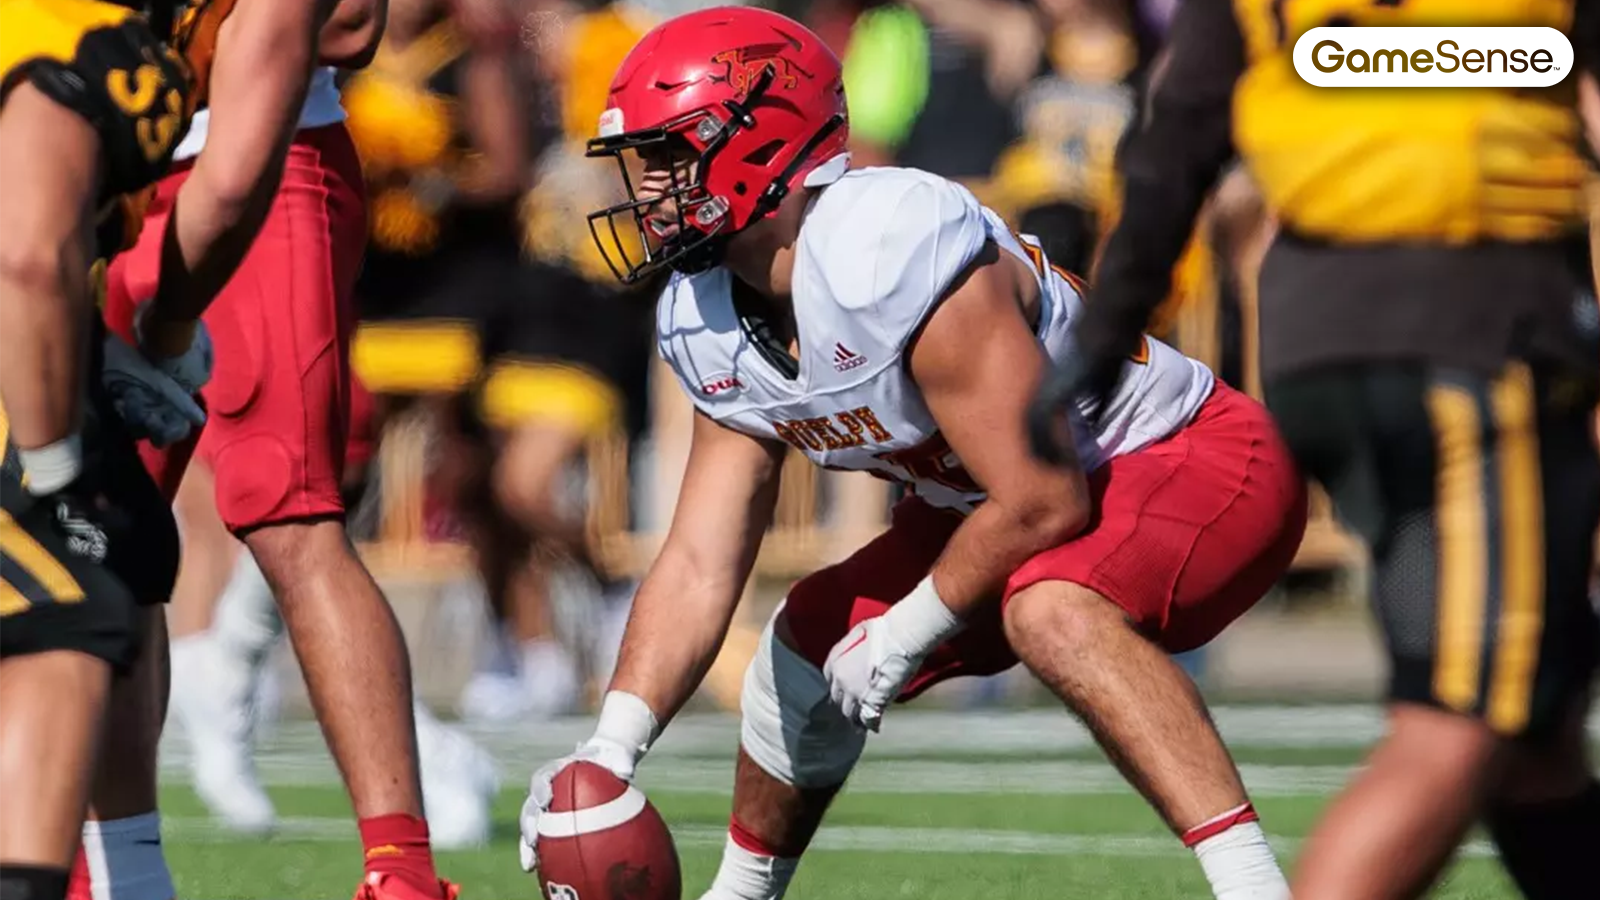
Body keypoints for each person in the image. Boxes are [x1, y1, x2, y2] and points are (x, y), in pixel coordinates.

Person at [517, 7, 1307, 900]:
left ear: (760, 141)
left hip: (1188, 460)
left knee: (1050, 610)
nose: (648, 189)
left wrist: (909, 626)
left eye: (670, 155)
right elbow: (699, 560)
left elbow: (1044, 500)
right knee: (799, 654)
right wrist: (607, 753)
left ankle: (1255, 891)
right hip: (1006, 504)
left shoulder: (883, 244)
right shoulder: (703, 314)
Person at [1025, 2, 1600, 899]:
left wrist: (1101, 335)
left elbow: (1178, 137)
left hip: (1322, 342)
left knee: (1539, 733)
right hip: (1473, 333)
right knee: (1468, 716)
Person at [87, 0, 468, 897]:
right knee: (95, 534)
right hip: (95, 173)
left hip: (258, 155)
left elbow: (348, 26)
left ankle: (401, 872)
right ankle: (121, 868)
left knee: (286, 506)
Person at [0, 1, 208, 898]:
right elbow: (32, 255)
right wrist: (50, 468)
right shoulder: (78, 38)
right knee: (72, 606)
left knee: (128, 548)